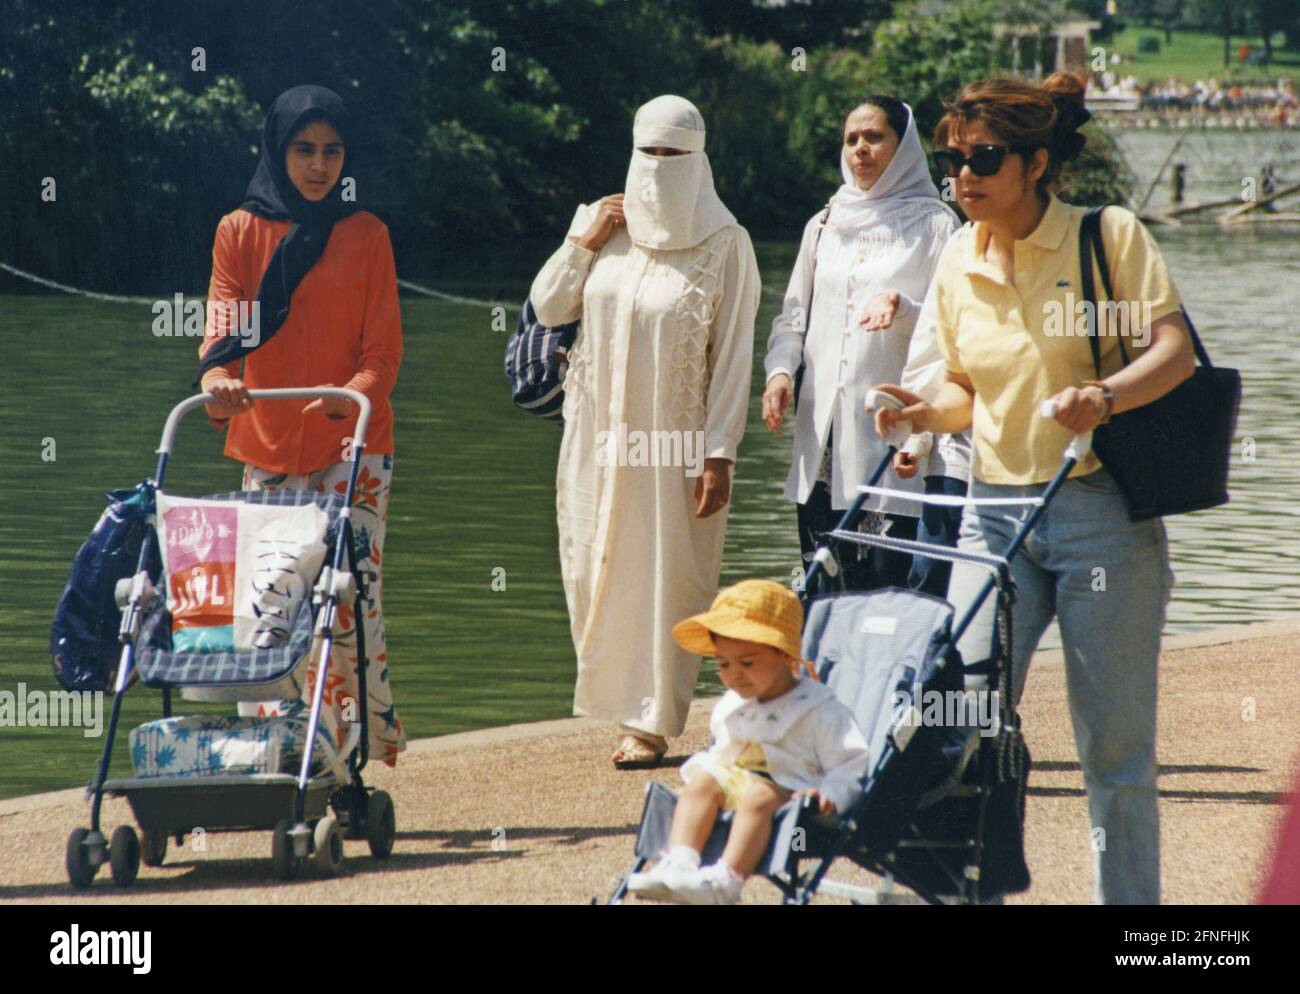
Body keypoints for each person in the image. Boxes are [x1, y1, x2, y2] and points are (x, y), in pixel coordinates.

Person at [872, 71, 1195, 904]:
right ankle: (960, 889)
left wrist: (1107, 397)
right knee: (961, 723)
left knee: (1113, 751)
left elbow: (1175, 350)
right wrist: (918, 416)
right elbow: (962, 392)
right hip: (990, 516)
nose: (964, 176)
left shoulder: (1106, 237)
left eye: (984, 158)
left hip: (1099, 517)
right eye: (954, 160)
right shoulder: (956, 254)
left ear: (1036, 161)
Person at [529, 95, 760, 769]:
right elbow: (548, 306)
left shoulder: (727, 244)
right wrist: (583, 240)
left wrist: (719, 452)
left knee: (665, 573)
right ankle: (613, 702)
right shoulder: (606, 231)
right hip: (593, 432)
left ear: (698, 158)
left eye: (672, 156)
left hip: (675, 441)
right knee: (589, 560)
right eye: (648, 153)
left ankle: (652, 722)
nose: (658, 167)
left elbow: (734, 355)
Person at [197, 85, 406, 766]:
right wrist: (216, 383)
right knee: (269, 605)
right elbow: (223, 331)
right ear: (277, 151)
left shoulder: (368, 234)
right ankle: (275, 753)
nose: (319, 165)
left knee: (344, 601)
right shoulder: (238, 230)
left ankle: (346, 754)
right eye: (304, 150)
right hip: (267, 445)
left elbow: (383, 352)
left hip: (356, 446)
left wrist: (353, 394)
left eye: (332, 151)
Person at [761, 96, 958, 595]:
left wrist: (903, 306)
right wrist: (780, 373)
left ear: (904, 145)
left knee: (886, 599)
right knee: (824, 597)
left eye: (874, 137)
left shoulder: (937, 226)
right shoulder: (824, 223)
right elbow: (793, 318)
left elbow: (950, 332)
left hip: (891, 443)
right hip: (821, 442)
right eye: (851, 139)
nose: (860, 150)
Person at [627, 579, 871, 904]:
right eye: (723, 664)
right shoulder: (735, 703)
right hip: (741, 779)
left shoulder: (819, 708)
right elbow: (725, 751)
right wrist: (714, 772)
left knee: (759, 794)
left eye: (747, 663)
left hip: (794, 787)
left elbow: (851, 762)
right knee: (702, 783)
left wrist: (831, 795)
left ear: (784, 655)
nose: (734, 675)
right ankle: (680, 862)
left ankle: (727, 879)